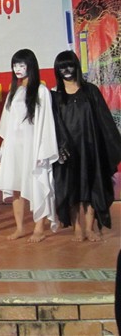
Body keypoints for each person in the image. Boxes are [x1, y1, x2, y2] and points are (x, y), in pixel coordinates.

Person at [51, 50, 121, 241]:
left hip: (91, 148)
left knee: (91, 187)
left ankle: (89, 228)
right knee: (71, 189)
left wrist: (107, 146)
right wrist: (58, 147)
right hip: (67, 151)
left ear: (76, 66)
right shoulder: (54, 96)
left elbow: (104, 120)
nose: (67, 70)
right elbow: (52, 125)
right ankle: (77, 228)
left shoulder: (90, 91)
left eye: (70, 65)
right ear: (57, 70)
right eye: (62, 67)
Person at [0, 49, 59, 243]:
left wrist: (43, 149)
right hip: (14, 147)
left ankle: (39, 228)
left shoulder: (41, 91)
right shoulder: (14, 92)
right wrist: (5, 146)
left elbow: (46, 122)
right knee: (16, 186)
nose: (17, 69)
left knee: (36, 184)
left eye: (21, 65)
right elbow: (8, 123)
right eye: (15, 65)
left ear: (30, 66)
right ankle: (20, 228)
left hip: (33, 147)